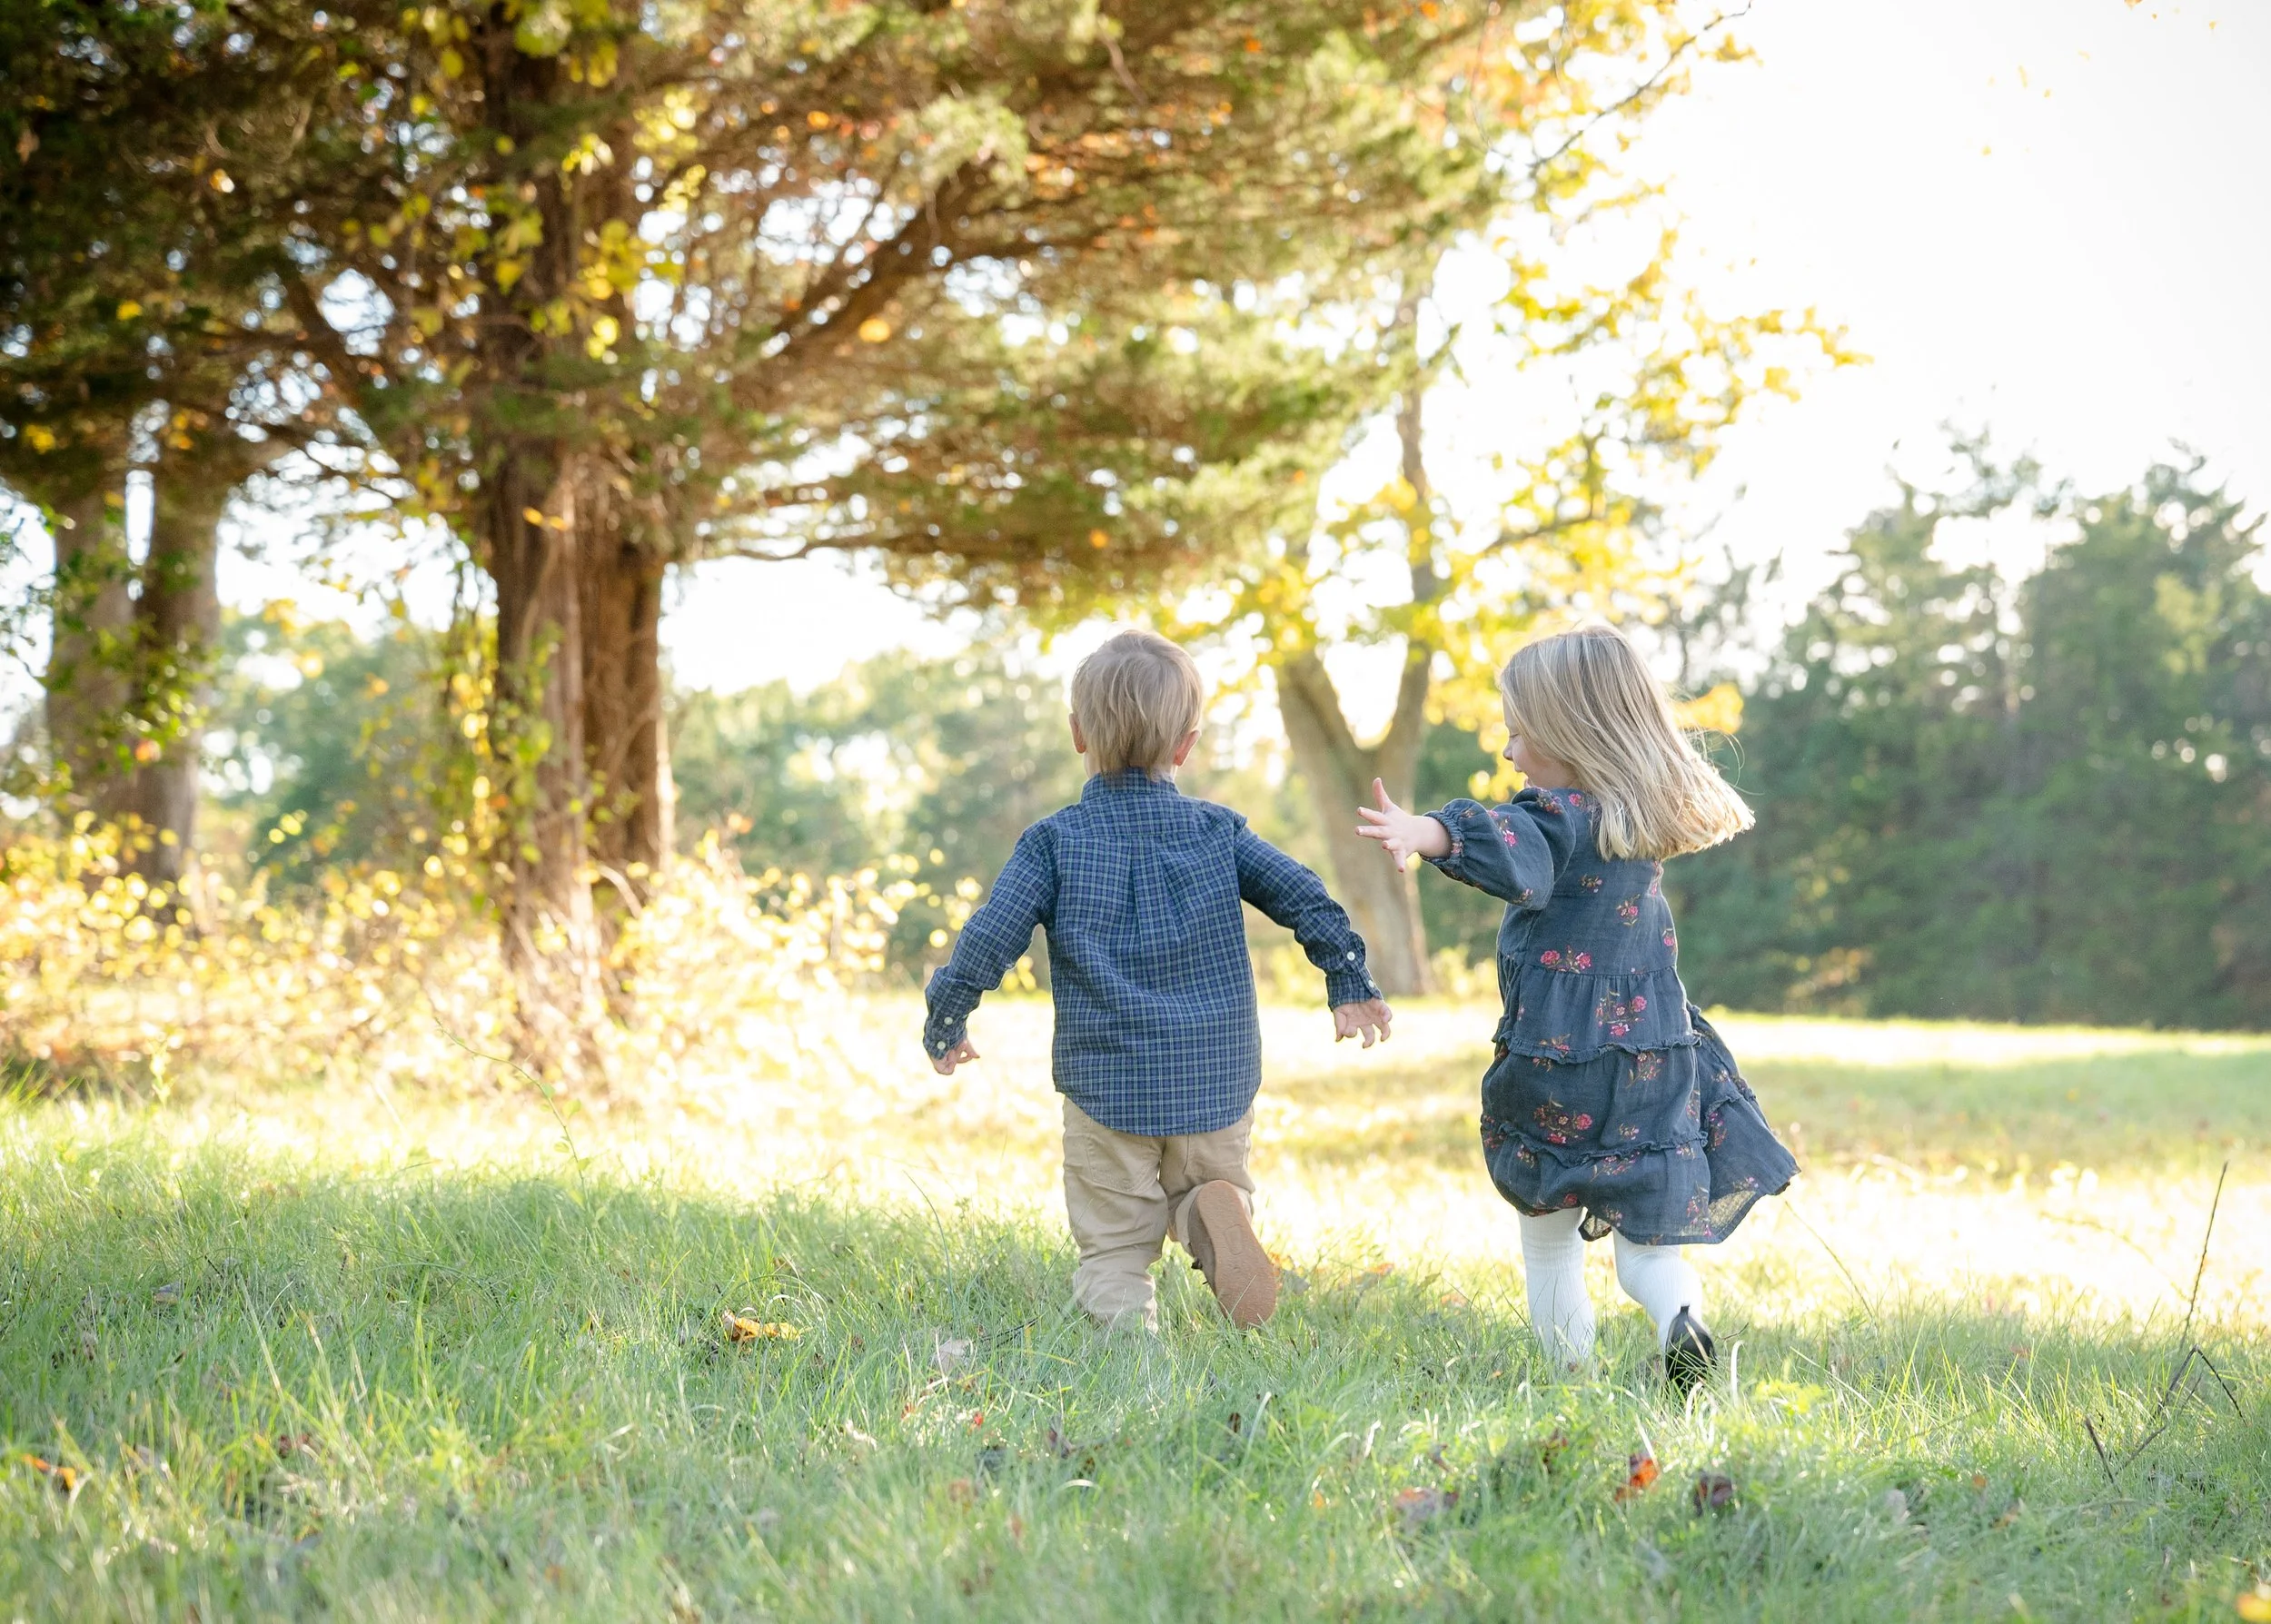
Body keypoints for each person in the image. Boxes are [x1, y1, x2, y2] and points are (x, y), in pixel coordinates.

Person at [1355, 623, 1795, 1393]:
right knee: (1650, 1253)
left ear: (1567, 733)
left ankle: (1571, 1378)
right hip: (1655, 1062)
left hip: (1556, 1066)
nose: (1509, 752)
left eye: (1519, 732)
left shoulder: (1556, 814)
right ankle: (1678, 1323)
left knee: (1549, 1237)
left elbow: (1504, 842)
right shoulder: (1641, 818)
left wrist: (1424, 832)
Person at [925, 629, 1393, 1333]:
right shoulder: (1219, 831)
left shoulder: (1054, 842)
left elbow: (992, 935)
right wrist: (1347, 976)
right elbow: (1304, 893)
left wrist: (949, 1014)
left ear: (1078, 734)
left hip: (1107, 1082)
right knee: (1208, 1182)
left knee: (1114, 1247)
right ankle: (1212, 1212)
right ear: (1186, 745)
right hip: (1215, 1074)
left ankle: (1132, 1363)